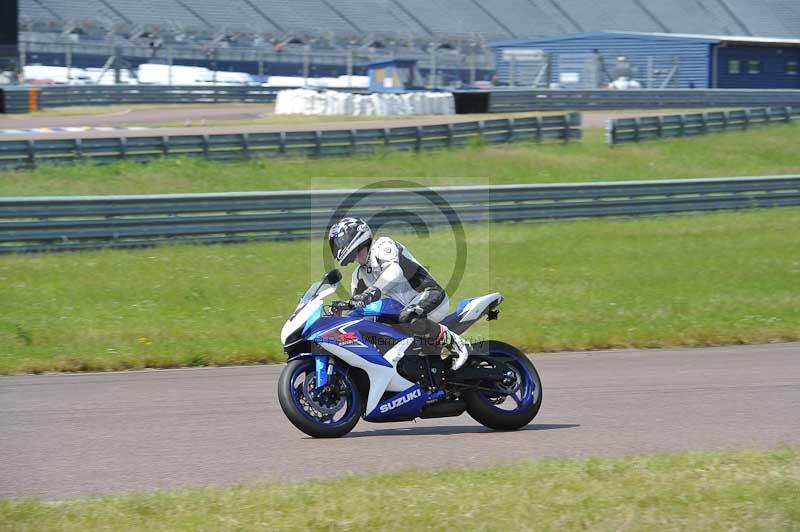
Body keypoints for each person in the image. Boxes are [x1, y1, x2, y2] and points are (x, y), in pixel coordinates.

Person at [328, 217, 470, 370]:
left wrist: (371, 292)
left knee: (407, 316)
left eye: (339, 241)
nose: (338, 246)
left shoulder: (382, 245)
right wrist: (342, 312)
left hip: (430, 295)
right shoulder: (358, 276)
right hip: (402, 310)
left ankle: (456, 343)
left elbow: (394, 271)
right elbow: (360, 309)